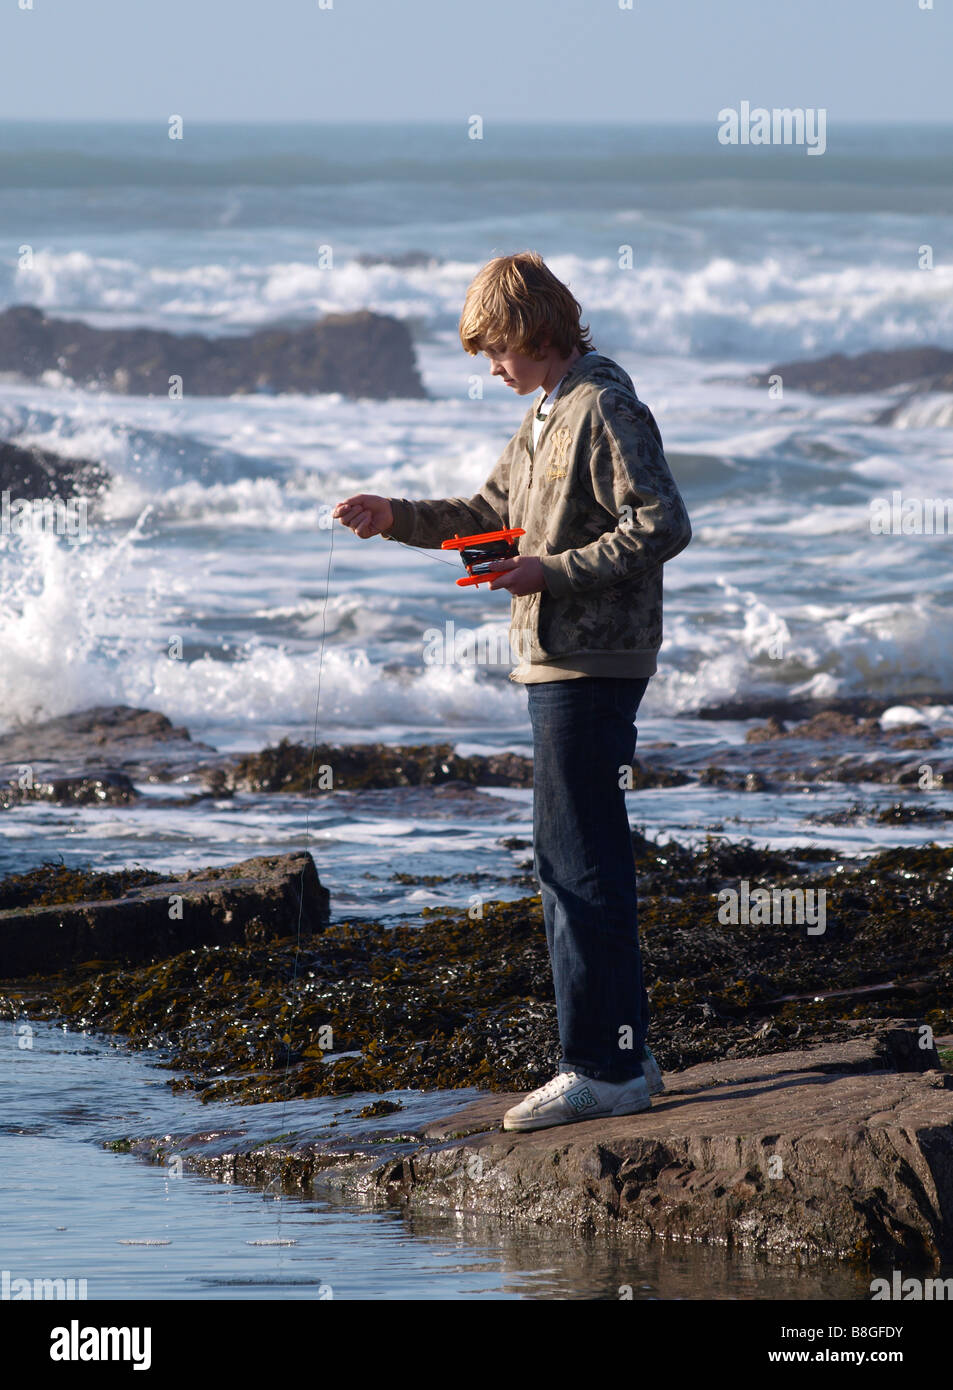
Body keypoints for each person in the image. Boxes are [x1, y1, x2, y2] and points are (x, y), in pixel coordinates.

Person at [334, 251, 692, 1132]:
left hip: (592, 660)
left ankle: (602, 1069)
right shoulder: (544, 414)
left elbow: (662, 524)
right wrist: (396, 517)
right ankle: (625, 1053)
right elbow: (485, 515)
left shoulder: (603, 404)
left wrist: (550, 573)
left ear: (535, 332)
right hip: (556, 659)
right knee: (576, 857)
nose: (491, 367)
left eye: (496, 349)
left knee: (576, 863)